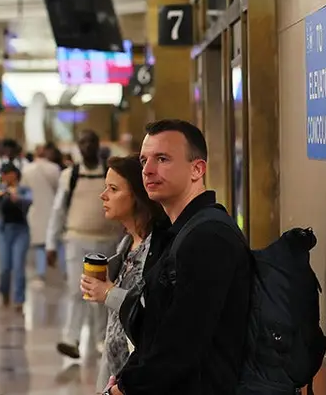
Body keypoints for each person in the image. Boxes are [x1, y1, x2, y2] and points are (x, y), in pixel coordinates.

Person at [104, 120, 251, 395]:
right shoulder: (174, 233)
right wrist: (125, 379)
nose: (147, 170)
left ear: (197, 169)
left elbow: (182, 345)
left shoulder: (209, 236)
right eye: (144, 160)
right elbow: (157, 333)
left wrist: (124, 388)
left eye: (162, 159)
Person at [81, 154, 166, 391]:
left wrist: (108, 292)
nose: (103, 195)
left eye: (113, 189)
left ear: (137, 196)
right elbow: (114, 329)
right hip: (116, 374)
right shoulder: (126, 244)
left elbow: (151, 313)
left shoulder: (156, 248)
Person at [47, 130, 120, 360]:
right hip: (76, 238)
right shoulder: (71, 175)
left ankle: (101, 339)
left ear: (98, 145)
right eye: (82, 142)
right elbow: (58, 210)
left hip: (107, 240)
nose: (87, 146)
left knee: (100, 292)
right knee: (75, 290)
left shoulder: (108, 174)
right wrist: (51, 242)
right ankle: (71, 338)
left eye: (91, 142)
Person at [0, 163, 33, 310]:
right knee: (5, 267)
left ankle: (19, 299)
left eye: (9, 173)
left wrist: (17, 198)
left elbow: (29, 200)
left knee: (18, 266)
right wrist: (3, 193)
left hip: (20, 230)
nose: (6, 177)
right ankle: (4, 291)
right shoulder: (0, 189)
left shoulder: (23, 189)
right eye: (4, 174)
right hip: (4, 231)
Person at [22, 144, 62, 282]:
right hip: (51, 207)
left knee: (39, 242)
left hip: (34, 208)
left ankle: (41, 271)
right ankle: (64, 270)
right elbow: (59, 189)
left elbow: (23, 190)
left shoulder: (27, 169)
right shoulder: (54, 168)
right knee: (55, 239)